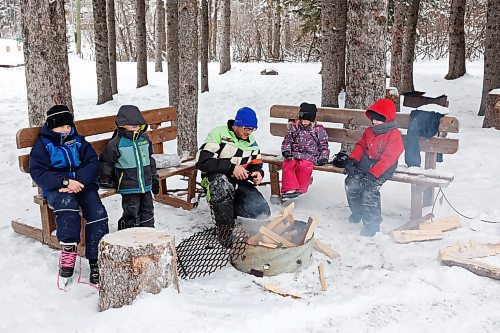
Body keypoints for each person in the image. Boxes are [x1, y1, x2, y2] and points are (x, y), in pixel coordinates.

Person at [29, 105, 109, 286]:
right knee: (67, 205)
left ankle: (96, 259)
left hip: (83, 184)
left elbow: (91, 162)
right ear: (51, 126)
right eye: (62, 126)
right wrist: (65, 182)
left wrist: (78, 181)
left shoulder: (78, 141)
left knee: (97, 212)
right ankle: (69, 248)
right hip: (57, 187)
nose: (67, 129)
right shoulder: (44, 144)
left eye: (68, 126)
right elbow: (38, 172)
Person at [196, 106, 271, 246]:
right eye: (246, 128)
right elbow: (202, 162)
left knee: (262, 211)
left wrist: (257, 173)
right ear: (237, 123)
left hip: (239, 182)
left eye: (252, 129)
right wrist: (231, 167)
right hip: (215, 180)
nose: (249, 132)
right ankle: (225, 230)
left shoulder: (251, 141)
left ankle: (233, 214)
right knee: (221, 185)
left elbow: (256, 163)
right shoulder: (218, 133)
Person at [344, 98, 404, 237]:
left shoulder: (394, 135)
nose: (375, 122)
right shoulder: (370, 131)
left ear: (387, 119)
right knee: (351, 182)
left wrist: (373, 175)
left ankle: (372, 223)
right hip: (366, 163)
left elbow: (388, 158)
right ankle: (357, 210)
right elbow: (361, 146)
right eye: (373, 119)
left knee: (369, 190)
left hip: (383, 168)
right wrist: (353, 160)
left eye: (379, 119)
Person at [99, 105, 160, 230]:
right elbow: (106, 162)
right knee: (132, 212)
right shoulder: (116, 143)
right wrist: (105, 179)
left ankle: (149, 234)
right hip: (129, 186)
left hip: (145, 184)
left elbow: (150, 159)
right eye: (133, 126)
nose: (136, 128)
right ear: (122, 125)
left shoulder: (144, 140)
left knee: (148, 210)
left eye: (138, 125)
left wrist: (154, 177)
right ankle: (129, 235)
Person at [281, 102, 330, 200]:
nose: (303, 122)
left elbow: (323, 145)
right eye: (302, 119)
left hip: (309, 155)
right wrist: (286, 151)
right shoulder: (294, 127)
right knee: (288, 163)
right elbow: (287, 141)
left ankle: (300, 190)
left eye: (306, 120)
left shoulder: (318, 130)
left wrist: (323, 157)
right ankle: (290, 188)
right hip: (294, 154)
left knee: (304, 166)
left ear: (312, 120)